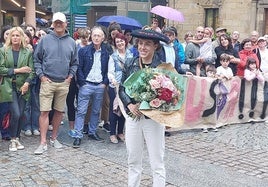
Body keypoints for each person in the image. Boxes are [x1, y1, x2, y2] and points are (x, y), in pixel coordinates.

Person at [119, 29, 169, 187]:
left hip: (153, 119)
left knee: (157, 162)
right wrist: (130, 104)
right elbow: (122, 88)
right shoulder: (131, 62)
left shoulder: (162, 67)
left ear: (155, 46)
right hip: (133, 117)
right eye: (140, 43)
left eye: (147, 44)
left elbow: (168, 94)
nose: (143, 47)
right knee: (133, 160)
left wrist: (147, 104)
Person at [34, 12, 78, 155]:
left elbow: (75, 63)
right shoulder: (45, 40)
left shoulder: (71, 42)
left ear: (66, 24)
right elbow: (37, 60)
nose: (58, 24)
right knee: (44, 112)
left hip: (63, 82)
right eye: (56, 22)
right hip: (47, 81)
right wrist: (41, 76)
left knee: (59, 112)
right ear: (53, 24)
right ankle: (43, 142)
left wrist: (70, 77)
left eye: (61, 22)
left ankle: (54, 138)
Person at [72, 26, 110, 148]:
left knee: (95, 111)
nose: (96, 37)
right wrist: (82, 83)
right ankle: (78, 135)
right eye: (94, 35)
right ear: (90, 36)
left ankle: (92, 132)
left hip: (99, 85)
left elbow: (108, 70)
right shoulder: (84, 51)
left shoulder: (106, 52)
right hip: (86, 84)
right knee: (81, 111)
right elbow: (79, 68)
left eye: (99, 35)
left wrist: (104, 83)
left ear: (103, 38)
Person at [0, 26, 35, 151]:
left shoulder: (27, 52)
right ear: (10, 37)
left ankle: (17, 138)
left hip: (23, 87)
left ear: (21, 38)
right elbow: (1, 69)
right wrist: (18, 70)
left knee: (20, 115)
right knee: (16, 113)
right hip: (9, 87)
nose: (15, 38)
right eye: (13, 35)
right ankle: (13, 139)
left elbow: (32, 71)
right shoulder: (4, 51)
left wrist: (27, 83)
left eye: (17, 35)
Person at [107, 33, 133, 144]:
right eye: (117, 42)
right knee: (114, 110)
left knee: (124, 110)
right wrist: (112, 79)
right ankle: (112, 133)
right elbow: (110, 72)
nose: (120, 43)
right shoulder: (113, 57)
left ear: (125, 42)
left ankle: (120, 132)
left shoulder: (130, 55)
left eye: (121, 41)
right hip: (115, 87)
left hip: (127, 86)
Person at [67, 27, 91, 137]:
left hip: (84, 79)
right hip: (73, 78)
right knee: (70, 102)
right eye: (83, 37)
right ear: (79, 37)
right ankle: (72, 127)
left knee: (83, 104)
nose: (85, 39)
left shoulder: (91, 47)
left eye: (86, 37)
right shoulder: (75, 46)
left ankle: (83, 125)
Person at [0, 25, 12, 141]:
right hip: (2, 82)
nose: (9, 36)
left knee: (5, 110)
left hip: (9, 84)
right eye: (7, 33)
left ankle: (5, 132)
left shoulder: (16, 49)